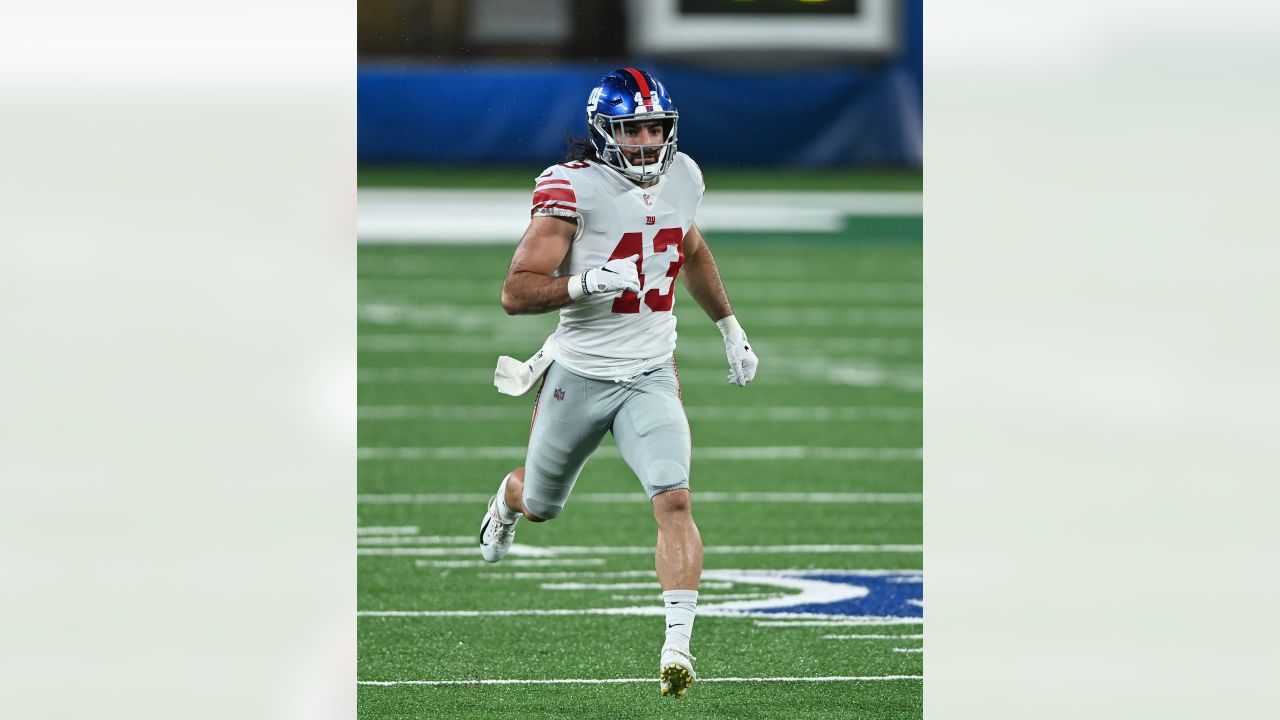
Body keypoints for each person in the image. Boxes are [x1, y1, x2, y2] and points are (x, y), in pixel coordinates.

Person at [480, 67, 759, 699]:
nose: (646, 141)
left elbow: (688, 249)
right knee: (543, 503)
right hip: (577, 374)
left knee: (675, 499)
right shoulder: (571, 188)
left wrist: (729, 326)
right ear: (605, 133)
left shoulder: (683, 175)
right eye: (632, 129)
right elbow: (514, 293)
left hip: (650, 373)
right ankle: (507, 499)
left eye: (655, 127)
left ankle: (677, 646)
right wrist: (584, 284)